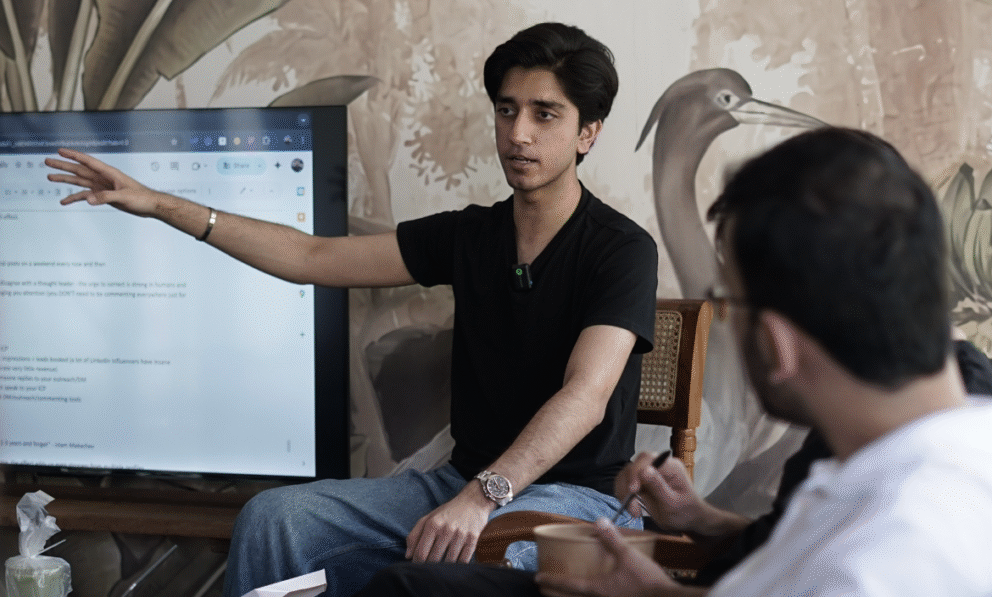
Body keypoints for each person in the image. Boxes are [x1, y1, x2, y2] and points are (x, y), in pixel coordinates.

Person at [45, 23, 658, 597]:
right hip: (458, 484)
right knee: (275, 520)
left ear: (588, 132)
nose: (518, 133)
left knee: (462, 562)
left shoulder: (621, 249)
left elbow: (585, 396)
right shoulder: (471, 237)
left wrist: (484, 496)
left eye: (544, 113)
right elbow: (312, 256)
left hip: (572, 503)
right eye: (507, 109)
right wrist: (162, 206)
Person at [356, 127, 992, 597]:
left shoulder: (892, 559)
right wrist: (697, 523)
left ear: (778, 343)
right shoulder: (902, 447)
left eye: (730, 303)